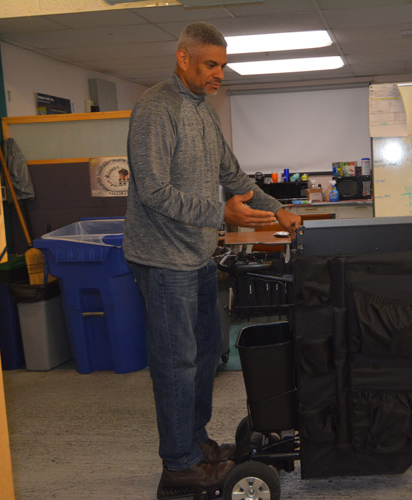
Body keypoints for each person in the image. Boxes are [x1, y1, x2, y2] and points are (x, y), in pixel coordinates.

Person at [123, 21, 301, 497]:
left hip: (198, 256)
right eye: (210, 64)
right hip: (162, 261)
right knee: (175, 363)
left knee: (205, 356)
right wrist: (218, 213)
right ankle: (179, 465)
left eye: (223, 65)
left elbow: (233, 175)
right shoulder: (156, 109)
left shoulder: (203, 111)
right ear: (184, 59)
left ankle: (194, 442)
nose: (220, 74)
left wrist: (276, 208)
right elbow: (153, 190)